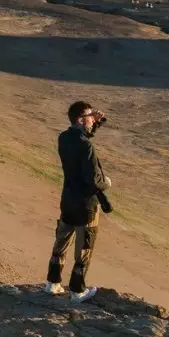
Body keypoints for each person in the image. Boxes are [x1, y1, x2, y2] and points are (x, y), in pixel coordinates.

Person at [45, 101, 113, 302]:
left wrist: (96, 121)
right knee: (84, 247)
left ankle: (52, 283)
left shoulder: (64, 138)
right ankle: (77, 290)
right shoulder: (86, 146)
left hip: (68, 199)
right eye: (89, 116)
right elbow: (94, 179)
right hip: (86, 204)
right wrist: (106, 183)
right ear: (80, 120)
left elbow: (82, 136)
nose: (92, 119)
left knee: (61, 241)